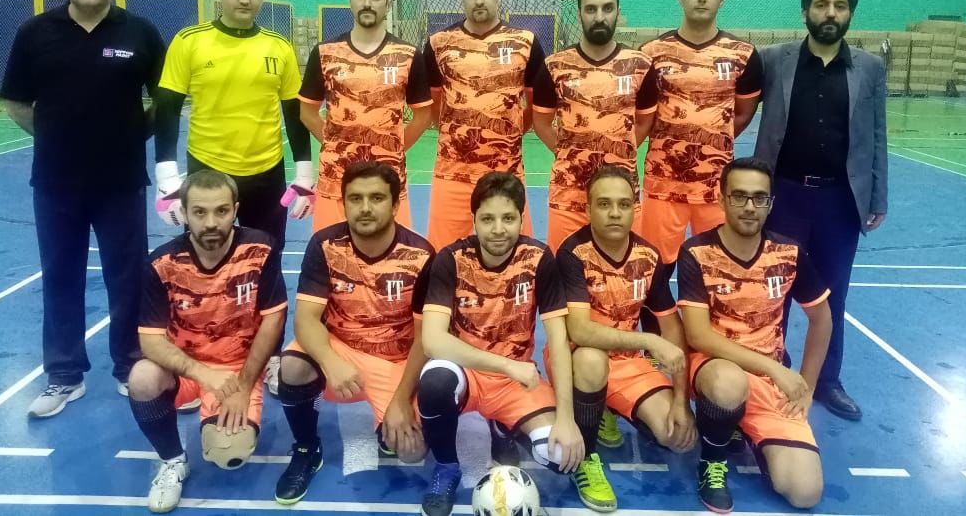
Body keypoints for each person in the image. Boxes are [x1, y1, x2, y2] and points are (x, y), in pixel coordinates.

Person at [0, 0, 165, 418]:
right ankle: (65, 375)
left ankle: (129, 366)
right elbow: (15, 103)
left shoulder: (140, 33)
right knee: (60, 277)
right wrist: (55, 137)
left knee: (128, 278)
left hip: (121, 182)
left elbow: (166, 100)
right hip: (56, 184)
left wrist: (131, 136)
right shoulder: (35, 33)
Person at [153, 0, 311, 393]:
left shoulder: (279, 48)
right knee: (203, 270)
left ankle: (270, 359)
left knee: (267, 265)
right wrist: (167, 180)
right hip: (207, 176)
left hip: (265, 174)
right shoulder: (189, 42)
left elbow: (293, 113)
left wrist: (304, 173)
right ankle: (198, 360)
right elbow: (166, 108)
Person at [753, 0, 887, 421]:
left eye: (839, 6)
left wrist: (877, 196)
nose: (830, 13)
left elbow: (877, 136)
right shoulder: (775, 60)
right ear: (805, 11)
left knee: (832, 296)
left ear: (850, 13)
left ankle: (827, 381)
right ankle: (772, 371)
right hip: (782, 196)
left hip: (839, 202)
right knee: (774, 292)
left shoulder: (869, 68)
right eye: (822, 5)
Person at [417, 172, 584, 516]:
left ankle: (503, 424)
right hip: (467, 372)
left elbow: (558, 339)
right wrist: (506, 365)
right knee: (434, 382)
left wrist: (567, 419)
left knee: (560, 457)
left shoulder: (538, 258)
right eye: (488, 219)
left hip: (514, 383)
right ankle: (447, 468)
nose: (498, 229)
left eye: (508, 218)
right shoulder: (451, 259)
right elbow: (432, 340)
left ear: (522, 218)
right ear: (474, 219)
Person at [273, 161, 434, 506]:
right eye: (355, 198)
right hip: (341, 351)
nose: (365, 208)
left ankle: (386, 424)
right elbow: (306, 320)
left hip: (395, 361)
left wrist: (401, 400)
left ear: (395, 204)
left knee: (411, 451)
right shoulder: (324, 245)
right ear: (343, 203)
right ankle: (306, 449)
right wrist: (330, 362)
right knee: (294, 365)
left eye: (376, 198)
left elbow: (426, 338)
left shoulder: (421, 255)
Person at [678, 157, 832, 513]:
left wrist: (806, 387)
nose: (749, 207)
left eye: (759, 198)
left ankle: (746, 429)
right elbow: (699, 336)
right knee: (728, 382)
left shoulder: (789, 253)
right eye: (739, 196)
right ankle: (712, 461)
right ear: (722, 199)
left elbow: (822, 319)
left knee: (805, 492)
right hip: (715, 369)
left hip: (767, 382)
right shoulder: (697, 252)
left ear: (770, 204)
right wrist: (776, 369)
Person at [128, 170, 287, 513]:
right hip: (189, 368)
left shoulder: (260, 249)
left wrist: (243, 385)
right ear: (184, 213)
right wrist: (204, 375)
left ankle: (219, 415)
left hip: (238, 368)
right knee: (141, 378)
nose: (211, 223)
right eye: (199, 212)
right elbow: (150, 342)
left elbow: (273, 321)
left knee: (228, 451)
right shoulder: (162, 263)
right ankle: (173, 460)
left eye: (221, 211)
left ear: (235, 210)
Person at [557, 166, 696, 513]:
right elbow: (580, 331)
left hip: (627, 362)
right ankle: (586, 459)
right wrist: (648, 342)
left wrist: (681, 400)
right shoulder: (572, 254)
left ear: (635, 207)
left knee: (676, 437)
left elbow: (672, 329)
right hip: (578, 357)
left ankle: (607, 407)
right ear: (588, 209)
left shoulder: (649, 257)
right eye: (604, 204)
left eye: (623, 204)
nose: (614, 213)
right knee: (591, 360)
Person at [639, 0, 762, 265]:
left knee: (714, 270)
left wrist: (710, 139)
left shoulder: (743, 54)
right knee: (654, 270)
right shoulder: (650, 53)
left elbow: (743, 114)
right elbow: (642, 114)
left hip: (716, 188)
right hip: (662, 185)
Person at [298, 0, 432, 231]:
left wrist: (391, 147)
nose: (367, 2)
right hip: (335, 183)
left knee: (393, 255)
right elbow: (307, 112)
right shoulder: (325, 52)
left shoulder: (408, 55)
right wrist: (338, 146)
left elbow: (423, 116)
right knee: (331, 254)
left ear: (388, 4)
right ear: (350, 0)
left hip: (388, 182)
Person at [532, 0, 657, 252]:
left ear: (618, 12)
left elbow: (645, 121)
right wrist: (569, 153)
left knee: (620, 269)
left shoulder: (640, 65)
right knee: (564, 269)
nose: (599, 17)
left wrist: (617, 149)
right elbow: (541, 123)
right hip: (568, 195)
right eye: (591, 9)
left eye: (607, 8)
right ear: (579, 14)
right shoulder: (554, 66)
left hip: (621, 196)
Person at [423, 0, 545, 250]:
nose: (479, 0)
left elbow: (535, 105)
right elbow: (434, 104)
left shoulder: (525, 43)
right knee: (443, 256)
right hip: (452, 175)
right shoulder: (438, 44)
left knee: (515, 255)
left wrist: (509, 132)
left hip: (507, 174)